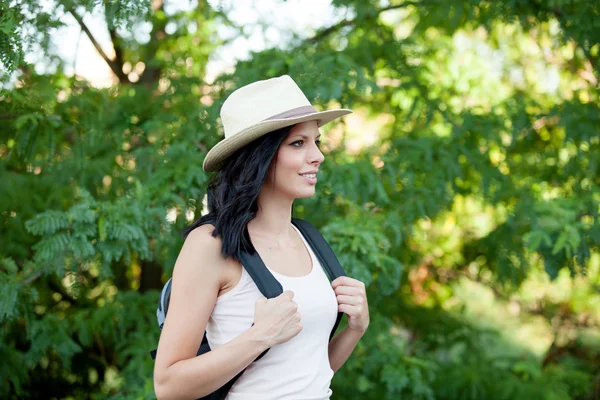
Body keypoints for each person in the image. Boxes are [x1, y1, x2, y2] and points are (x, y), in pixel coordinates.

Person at [153, 75, 370, 400]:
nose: (318, 156)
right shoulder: (211, 245)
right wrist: (260, 336)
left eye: (317, 141)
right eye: (298, 143)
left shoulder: (308, 238)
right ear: (260, 156)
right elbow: (168, 385)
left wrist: (355, 329)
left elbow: (307, 373)